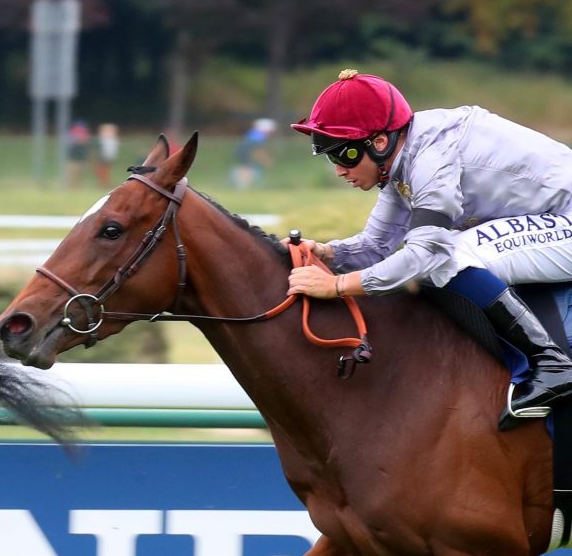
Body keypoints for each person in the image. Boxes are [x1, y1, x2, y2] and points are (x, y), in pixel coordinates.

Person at [286, 68, 572, 427]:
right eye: (330, 158)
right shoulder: (403, 159)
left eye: (343, 155)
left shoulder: (433, 159)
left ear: (379, 142)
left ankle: (552, 364)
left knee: (449, 256)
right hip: (555, 217)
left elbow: (427, 255)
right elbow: (376, 245)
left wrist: (337, 285)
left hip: (566, 219)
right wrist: (328, 253)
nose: (339, 171)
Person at [231, 118, 274, 189]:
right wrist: (266, 160)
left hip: (245, 159)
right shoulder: (257, 137)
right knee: (247, 174)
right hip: (247, 160)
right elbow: (258, 151)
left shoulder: (252, 134)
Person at [63, 120, 93, 189]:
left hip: (81, 160)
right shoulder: (72, 140)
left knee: (78, 175)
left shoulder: (85, 141)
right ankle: (69, 186)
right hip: (73, 160)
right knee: (71, 174)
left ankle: (76, 187)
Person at [94, 123, 121, 188]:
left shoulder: (111, 140)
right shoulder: (106, 139)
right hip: (103, 156)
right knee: (100, 170)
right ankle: (103, 183)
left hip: (106, 157)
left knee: (104, 170)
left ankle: (105, 183)